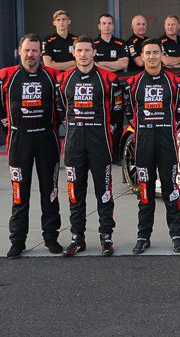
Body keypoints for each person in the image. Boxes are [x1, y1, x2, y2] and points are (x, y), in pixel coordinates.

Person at [0, 34, 64, 258]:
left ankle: (51, 237)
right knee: (19, 193)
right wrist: (11, 130)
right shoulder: (5, 75)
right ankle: (17, 241)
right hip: (19, 141)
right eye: (27, 50)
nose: (30, 54)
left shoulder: (52, 75)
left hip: (46, 140)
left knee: (50, 192)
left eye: (34, 50)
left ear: (40, 53)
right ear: (20, 51)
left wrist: (54, 126)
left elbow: (62, 107)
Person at [58, 37, 125, 256]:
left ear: (94, 52)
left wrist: (110, 138)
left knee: (104, 194)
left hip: (100, 146)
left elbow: (117, 113)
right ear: (73, 53)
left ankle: (106, 238)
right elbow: (60, 110)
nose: (83, 54)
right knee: (75, 194)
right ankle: (78, 238)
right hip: (74, 146)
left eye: (87, 50)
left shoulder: (109, 79)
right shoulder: (64, 79)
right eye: (79, 50)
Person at [126, 39, 180, 254]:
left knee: (171, 190)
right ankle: (143, 236)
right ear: (141, 56)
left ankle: (177, 235)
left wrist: (166, 127)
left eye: (155, 52)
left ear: (162, 54)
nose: (151, 56)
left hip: (166, 143)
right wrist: (144, 129)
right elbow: (129, 113)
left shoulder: (175, 82)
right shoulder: (133, 83)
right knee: (145, 191)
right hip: (143, 145)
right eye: (148, 53)